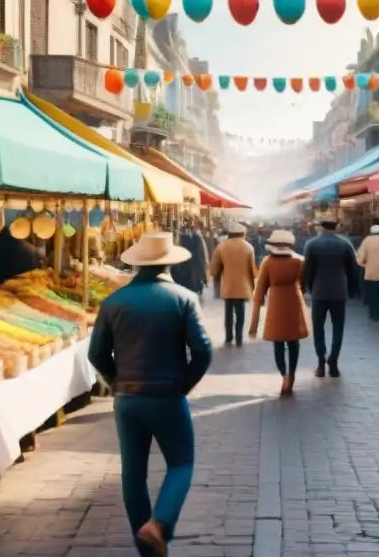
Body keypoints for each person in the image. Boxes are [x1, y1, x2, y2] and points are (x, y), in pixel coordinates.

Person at [87, 232, 212, 557]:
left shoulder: (113, 301)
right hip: (168, 394)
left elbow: (96, 354)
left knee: (133, 471)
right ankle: (159, 525)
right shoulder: (183, 298)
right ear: (170, 262)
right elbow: (203, 351)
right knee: (181, 463)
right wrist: (184, 383)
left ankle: (146, 547)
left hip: (127, 399)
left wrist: (116, 382)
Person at [250, 230, 309, 395]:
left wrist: (254, 325)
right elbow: (303, 284)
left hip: (276, 303)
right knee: (293, 342)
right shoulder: (299, 261)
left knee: (278, 342)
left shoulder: (267, 262)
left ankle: (284, 375)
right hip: (294, 302)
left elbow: (259, 290)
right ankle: (292, 373)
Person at [302, 216, 359, 377]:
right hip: (339, 292)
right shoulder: (345, 244)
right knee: (338, 327)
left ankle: (321, 362)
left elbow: (307, 270)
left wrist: (309, 287)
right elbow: (352, 269)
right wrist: (353, 289)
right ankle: (333, 361)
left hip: (319, 292)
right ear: (337, 226)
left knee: (318, 327)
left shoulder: (311, 244)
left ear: (321, 227)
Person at [208, 223, 258, 346]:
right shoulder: (248, 247)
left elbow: (214, 267)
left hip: (228, 285)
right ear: (243, 234)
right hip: (243, 285)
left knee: (228, 312)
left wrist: (216, 277)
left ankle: (229, 336)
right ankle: (239, 337)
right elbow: (253, 269)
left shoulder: (222, 246)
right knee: (240, 312)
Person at [172, 222, 209, 297]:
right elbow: (202, 257)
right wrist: (204, 277)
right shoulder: (198, 239)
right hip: (194, 277)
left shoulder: (181, 240)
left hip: (183, 279)